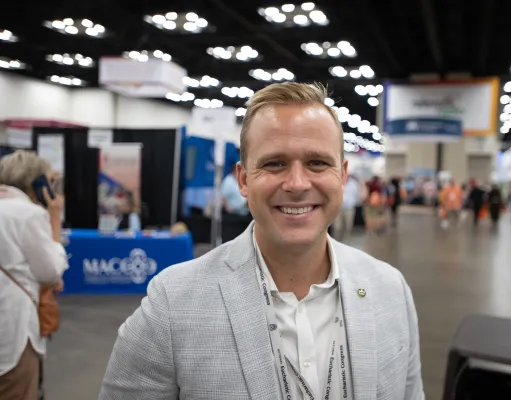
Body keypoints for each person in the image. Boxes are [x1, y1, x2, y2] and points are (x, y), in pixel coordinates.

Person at [100, 82, 424, 400]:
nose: (297, 183)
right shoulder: (173, 304)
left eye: (317, 163)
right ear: (243, 179)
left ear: (342, 174)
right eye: (274, 163)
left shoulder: (390, 290)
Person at [0, 151, 68, 400]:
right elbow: (50, 270)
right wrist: (54, 219)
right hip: (11, 328)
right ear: (36, 184)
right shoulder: (27, 214)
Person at [333, 174, 361, 239]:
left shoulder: (353, 184)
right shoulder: (338, 183)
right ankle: (336, 242)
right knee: (337, 227)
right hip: (338, 208)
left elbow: (356, 195)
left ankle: (345, 242)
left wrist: (354, 204)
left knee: (348, 227)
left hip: (349, 208)